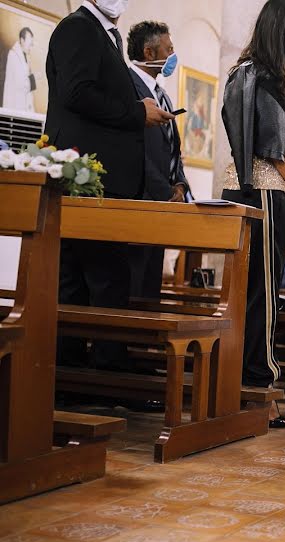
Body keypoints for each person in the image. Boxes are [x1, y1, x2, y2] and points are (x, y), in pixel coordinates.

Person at [46, 0, 175, 372]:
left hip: (100, 179)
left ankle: (84, 371)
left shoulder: (105, 33)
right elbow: (77, 92)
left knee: (97, 280)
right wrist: (137, 112)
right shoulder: (78, 28)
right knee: (98, 280)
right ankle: (99, 374)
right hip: (89, 179)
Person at [221, 0, 285, 427]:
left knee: (249, 289)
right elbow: (276, 151)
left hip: (251, 189)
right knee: (260, 290)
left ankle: (240, 375)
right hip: (263, 191)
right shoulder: (266, 78)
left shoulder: (251, 74)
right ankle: (259, 383)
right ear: (277, 32)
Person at [126, 21, 191, 301]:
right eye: (169, 49)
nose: (173, 55)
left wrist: (179, 184)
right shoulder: (127, 87)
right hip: (139, 199)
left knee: (150, 290)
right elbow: (134, 149)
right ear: (150, 52)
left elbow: (173, 149)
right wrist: (165, 192)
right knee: (132, 285)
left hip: (162, 205)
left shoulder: (161, 94)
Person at [3, 28, 36, 112]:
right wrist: (34, 78)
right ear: (22, 40)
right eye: (29, 44)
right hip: (16, 106)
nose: (30, 47)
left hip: (23, 106)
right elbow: (20, 84)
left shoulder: (24, 57)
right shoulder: (14, 56)